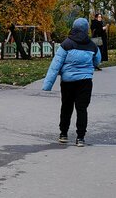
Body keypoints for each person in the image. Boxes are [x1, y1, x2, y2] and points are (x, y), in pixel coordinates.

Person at [42, 18, 99, 147]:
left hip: (68, 83)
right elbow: (97, 61)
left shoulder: (66, 44)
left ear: (73, 28)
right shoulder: (92, 45)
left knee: (66, 107)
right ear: (86, 29)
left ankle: (63, 134)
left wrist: (47, 85)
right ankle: (80, 138)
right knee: (82, 109)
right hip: (85, 82)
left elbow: (55, 65)